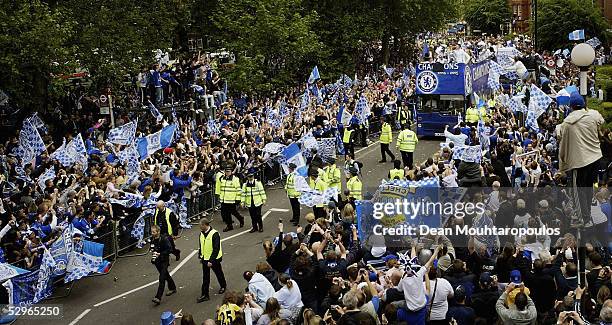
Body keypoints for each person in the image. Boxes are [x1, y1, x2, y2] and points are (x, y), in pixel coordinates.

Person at [557, 92, 605, 227]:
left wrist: (562, 168)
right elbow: (600, 120)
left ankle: (584, 219)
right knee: (589, 188)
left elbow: (563, 147)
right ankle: (587, 215)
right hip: (596, 158)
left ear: (570, 106)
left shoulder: (567, 124)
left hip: (580, 162)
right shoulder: (593, 116)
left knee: (578, 190)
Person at [197, 218, 227, 303]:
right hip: (205, 259)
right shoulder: (201, 234)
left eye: (200, 226)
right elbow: (201, 245)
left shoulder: (215, 234)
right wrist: (200, 255)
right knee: (205, 277)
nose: (200, 227)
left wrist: (211, 261)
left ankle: (223, 286)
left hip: (214, 259)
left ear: (205, 225)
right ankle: (205, 294)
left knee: (218, 273)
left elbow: (216, 249)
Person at [150, 225, 177, 305]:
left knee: (162, 278)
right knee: (166, 275)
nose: (152, 233)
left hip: (164, 260)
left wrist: (160, 253)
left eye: (153, 232)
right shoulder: (153, 239)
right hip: (157, 261)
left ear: (158, 232)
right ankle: (173, 288)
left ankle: (158, 297)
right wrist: (153, 251)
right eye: (151, 232)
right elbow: (152, 247)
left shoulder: (164, 239)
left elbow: (169, 249)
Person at [216, 166, 244, 232]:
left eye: (228, 171)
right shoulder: (222, 178)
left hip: (231, 199)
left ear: (231, 172)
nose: (227, 173)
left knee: (233, 212)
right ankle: (229, 226)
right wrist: (219, 195)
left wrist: (238, 199)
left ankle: (240, 218)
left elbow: (238, 190)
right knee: (226, 213)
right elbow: (220, 188)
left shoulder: (235, 179)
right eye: (226, 171)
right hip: (224, 199)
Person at [241, 168, 267, 233]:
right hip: (250, 203)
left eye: (251, 176)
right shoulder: (245, 184)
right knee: (252, 216)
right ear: (247, 177)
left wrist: (264, 199)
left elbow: (262, 191)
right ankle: (254, 227)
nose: (250, 178)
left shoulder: (258, 183)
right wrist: (242, 202)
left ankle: (261, 227)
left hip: (257, 202)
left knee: (258, 215)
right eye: (249, 176)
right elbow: (243, 194)